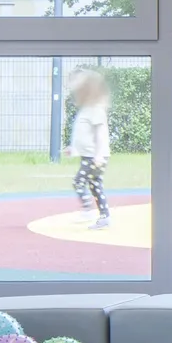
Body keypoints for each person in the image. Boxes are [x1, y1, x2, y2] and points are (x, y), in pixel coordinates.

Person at [66, 67, 113, 230]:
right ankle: (104, 216)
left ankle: (87, 210)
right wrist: (73, 148)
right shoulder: (86, 109)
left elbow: (100, 134)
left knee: (79, 182)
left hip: (94, 157)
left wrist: (99, 155)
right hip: (89, 155)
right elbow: (82, 134)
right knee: (95, 185)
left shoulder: (96, 109)